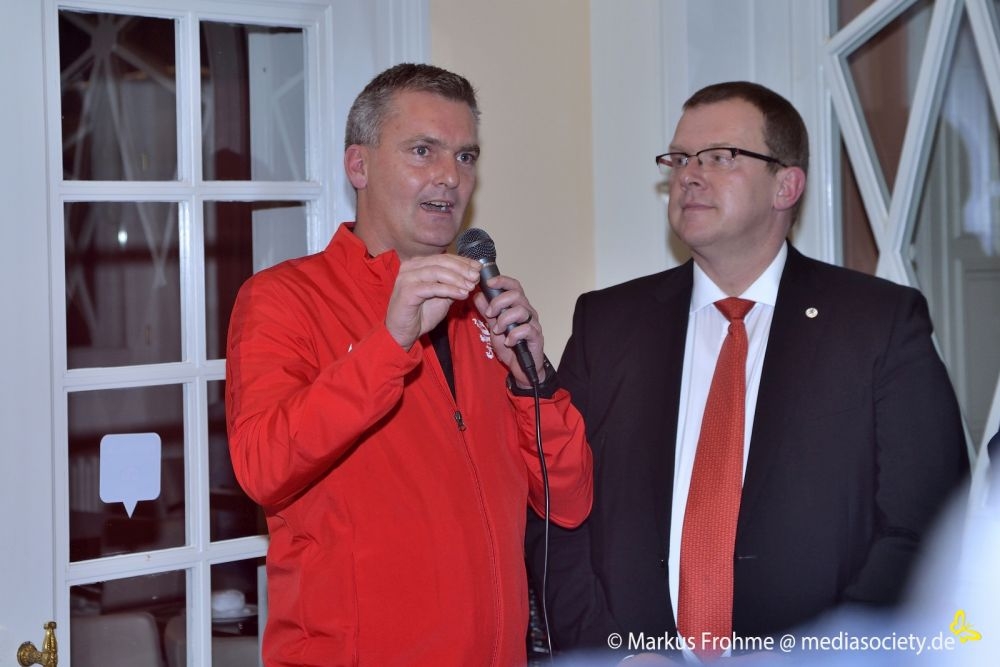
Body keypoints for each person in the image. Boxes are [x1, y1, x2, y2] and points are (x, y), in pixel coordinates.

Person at [527, 81, 967, 661]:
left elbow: (925, 525)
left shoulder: (878, 323)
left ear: (787, 185)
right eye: (679, 159)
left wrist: (826, 655)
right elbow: (556, 508)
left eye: (720, 157)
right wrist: (612, 652)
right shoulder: (608, 322)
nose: (689, 175)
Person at [226, 63, 593, 666]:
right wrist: (390, 344)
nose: (450, 176)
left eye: (466, 156)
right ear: (359, 165)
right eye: (423, 151)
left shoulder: (483, 308)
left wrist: (533, 383)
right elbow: (262, 467)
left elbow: (570, 500)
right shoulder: (283, 298)